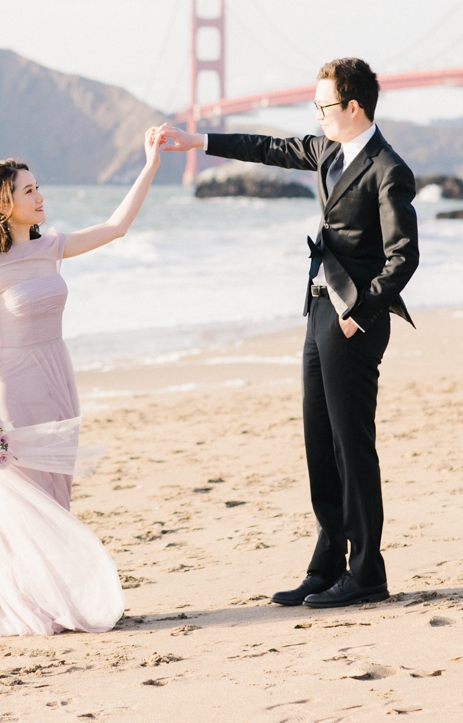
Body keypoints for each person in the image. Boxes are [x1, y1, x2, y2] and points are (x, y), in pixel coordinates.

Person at [158, 57, 419, 608]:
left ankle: (367, 572)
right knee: (318, 443)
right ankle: (327, 565)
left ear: (354, 107)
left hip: (355, 319)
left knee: (353, 446)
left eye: (324, 107)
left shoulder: (387, 169)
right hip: (319, 307)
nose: (317, 116)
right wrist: (197, 141)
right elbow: (269, 148)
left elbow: (404, 256)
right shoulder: (327, 147)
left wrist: (361, 312)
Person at [0, 126, 165, 637]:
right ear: (4, 204)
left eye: (36, 186)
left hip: (57, 378)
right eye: (29, 190)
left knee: (56, 494)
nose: (40, 195)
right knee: (20, 498)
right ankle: (14, 604)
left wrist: (151, 164)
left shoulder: (51, 246)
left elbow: (116, 227)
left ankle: (55, 601)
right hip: (12, 387)